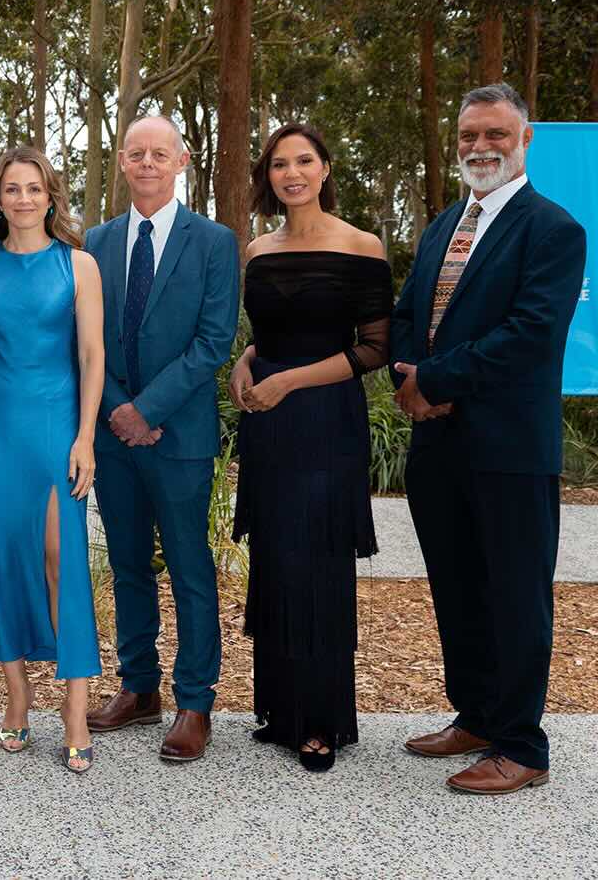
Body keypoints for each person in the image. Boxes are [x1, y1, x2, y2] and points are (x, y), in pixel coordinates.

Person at [390, 82, 585, 795]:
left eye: (496, 134)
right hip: (439, 449)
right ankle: (475, 714)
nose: (480, 146)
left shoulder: (552, 229)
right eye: (470, 134)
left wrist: (435, 381)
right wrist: (408, 375)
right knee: (458, 587)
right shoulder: (445, 223)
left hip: (509, 448)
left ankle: (521, 744)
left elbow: (530, 335)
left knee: (514, 592)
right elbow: (409, 310)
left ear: (523, 140)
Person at [226, 124, 389, 772]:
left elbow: (376, 348)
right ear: (267, 176)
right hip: (268, 422)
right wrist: (249, 358)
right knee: (276, 558)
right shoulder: (258, 249)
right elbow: (272, 330)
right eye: (278, 164)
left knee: (317, 561)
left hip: (325, 420)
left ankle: (322, 722)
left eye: (303, 161)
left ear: (325, 169)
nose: (290, 172)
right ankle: (282, 710)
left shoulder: (362, 244)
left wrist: (288, 378)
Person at [83, 116, 239, 762]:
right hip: (114, 434)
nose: (148, 162)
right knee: (126, 565)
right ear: (122, 160)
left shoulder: (215, 241)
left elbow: (213, 340)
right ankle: (138, 687)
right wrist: (120, 410)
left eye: (160, 153)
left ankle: (194, 701)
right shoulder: (96, 240)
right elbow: (86, 337)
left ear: (182, 160)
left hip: (180, 433)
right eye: (137, 153)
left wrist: (148, 409)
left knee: (189, 566)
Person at [0, 147, 105, 773]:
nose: (23, 199)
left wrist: (86, 436)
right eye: (12, 189)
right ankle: (17, 694)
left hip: (56, 424)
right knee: (2, 558)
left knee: (61, 560)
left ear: (50, 196)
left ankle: (75, 703)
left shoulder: (79, 265)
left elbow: (92, 357)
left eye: (34, 188)